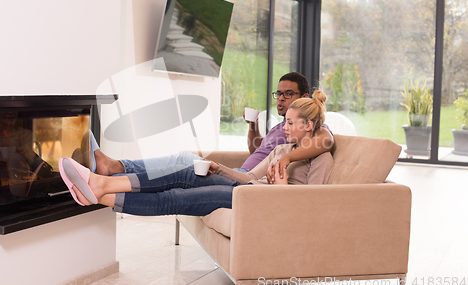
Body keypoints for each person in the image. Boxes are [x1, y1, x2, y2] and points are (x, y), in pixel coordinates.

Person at [58, 91, 334, 217]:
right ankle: (101, 186)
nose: (284, 127)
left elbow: (309, 207)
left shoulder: (321, 158)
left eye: (290, 123)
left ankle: (99, 191)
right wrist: (218, 168)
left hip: (258, 202)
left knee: (174, 199)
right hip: (248, 188)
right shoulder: (283, 149)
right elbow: (249, 176)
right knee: (183, 170)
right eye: (285, 122)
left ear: (309, 125)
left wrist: (281, 189)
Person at [92, 72, 333, 181]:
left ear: (304, 96)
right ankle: (118, 172)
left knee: (182, 160)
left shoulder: (307, 130)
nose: (280, 98)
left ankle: (116, 168)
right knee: (183, 160)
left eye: (287, 94)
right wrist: (252, 126)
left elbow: (327, 141)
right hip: (242, 172)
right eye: (278, 94)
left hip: (245, 179)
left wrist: (286, 159)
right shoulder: (280, 127)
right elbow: (256, 150)